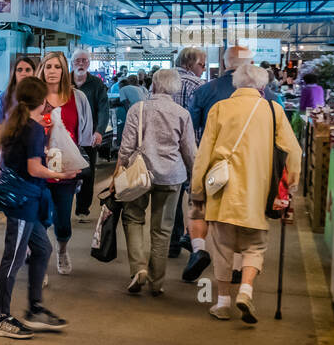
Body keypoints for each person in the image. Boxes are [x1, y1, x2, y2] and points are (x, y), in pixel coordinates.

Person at [189, 64, 301, 324]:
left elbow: (203, 153)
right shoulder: (274, 111)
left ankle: (222, 302)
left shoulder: (220, 109)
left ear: (236, 84)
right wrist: (289, 189)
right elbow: (294, 152)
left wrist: (197, 191)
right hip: (259, 192)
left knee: (222, 245)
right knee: (255, 245)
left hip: (222, 190)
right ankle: (247, 290)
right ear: (262, 86)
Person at [0, 76, 77, 339]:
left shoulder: (16, 123)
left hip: (19, 198)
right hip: (23, 201)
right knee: (13, 259)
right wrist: (61, 175)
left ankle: (35, 308)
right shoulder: (34, 128)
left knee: (42, 248)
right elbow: (33, 168)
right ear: (42, 100)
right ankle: (0, 317)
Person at [115, 68, 197, 296]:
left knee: (133, 219)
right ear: (175, 88)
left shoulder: (137, 109)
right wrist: (195, 179)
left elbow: (126, 146)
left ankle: (138, 268)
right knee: (162, 229)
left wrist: (119, 169)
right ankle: (156, 282)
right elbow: (190, 152)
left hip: (139, 174)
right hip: (171, 176)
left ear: (153, 85)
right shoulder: (182, 113)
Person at [37, 51, 93, 275]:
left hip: (66, 167)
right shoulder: (34, 97)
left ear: (63, 71)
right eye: (48, 66)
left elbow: (85, 133)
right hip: (38, 165)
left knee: (62, 218)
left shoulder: (77, 97)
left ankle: (62, 250)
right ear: (42, 69)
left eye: (57, 67)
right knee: (39, 217)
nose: (52, 71)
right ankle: (39, 260)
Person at [168, 48, 208, 258]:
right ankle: (193, 240)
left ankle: (173, 243)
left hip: (168, 151)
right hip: (194, 149)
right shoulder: (200, 86)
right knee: (196, 197)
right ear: (190, 64)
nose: (203, 69)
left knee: (172, 197)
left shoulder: (161, 82)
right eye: (202, 65)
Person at [70, 49, 110, 220]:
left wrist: (99, 131)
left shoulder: (96, 84)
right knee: (63, 170)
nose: (81, 63)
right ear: (72, 62)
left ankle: (82, 208)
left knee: (87, 172)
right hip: (66, 135)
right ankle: (61, 206)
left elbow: (103, 109)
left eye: (84, 60)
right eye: (78, 60)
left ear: (89, 63)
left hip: (88, 136)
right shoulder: (63, 81)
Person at [0, 53, 41, 175]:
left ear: (34, 72)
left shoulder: (40, 96)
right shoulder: (3, 98)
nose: (24, 73)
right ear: (14, 73)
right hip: (9, 156)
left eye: (28, 70)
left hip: (36, 155)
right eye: (19, 70)